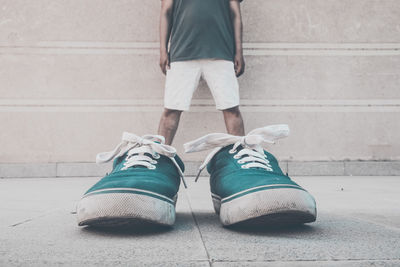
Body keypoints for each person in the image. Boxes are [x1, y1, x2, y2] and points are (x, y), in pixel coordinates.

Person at [75, 0, 317, 228]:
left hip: (221, 53)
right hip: (181, 53)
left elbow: (235, 13)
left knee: (231, 109)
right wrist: (163, 49)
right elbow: (166, 11)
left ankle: (244, 160)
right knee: (170, 111)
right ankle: (159, 160)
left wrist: (238, 51)